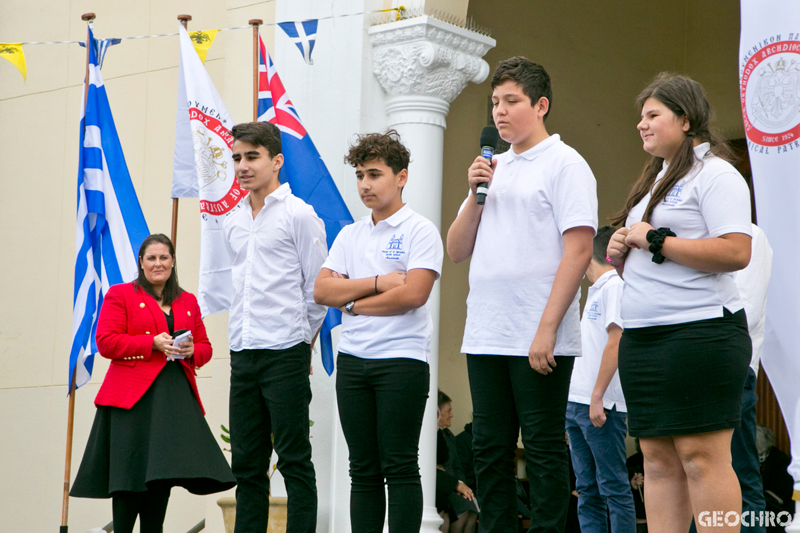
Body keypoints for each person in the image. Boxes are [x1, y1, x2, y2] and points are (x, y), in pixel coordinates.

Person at [447, 56, 598, 532]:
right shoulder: (490, 167)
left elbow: (577, 252)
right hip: (488, 331)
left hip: (539, 332)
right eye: (494, 102)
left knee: (543, 446)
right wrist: (474, 194)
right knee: (489, 449)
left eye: (512, 101)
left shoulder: (565, 164)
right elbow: (456, 250)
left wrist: (547, 329)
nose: (500, 112)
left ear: (541, 104)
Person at [607, 73, 753, 530]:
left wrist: (654, 240)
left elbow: (735, 251)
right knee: (656, 460)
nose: (641, 125)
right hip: (645, 340)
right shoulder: (656, 181)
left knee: (699, 458)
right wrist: (622, 250)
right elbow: (657, 255)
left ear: (685, 119)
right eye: (641, 117)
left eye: (653, 115)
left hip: (699, 335)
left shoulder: (716, 175)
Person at [314, 130, 443, 533]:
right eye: (359, 176)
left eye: (374, 174)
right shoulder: (350, 234)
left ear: (401, 177)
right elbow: (321, 290)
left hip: (401, 361)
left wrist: (350, 302)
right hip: (353, 362)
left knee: (400, 464)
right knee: (362, 469)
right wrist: (377, 282)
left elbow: (413, 295)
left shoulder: (420, 230)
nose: (365, 185)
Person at [70, 233, 236, 533]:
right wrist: (151, 343)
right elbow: (106, 342)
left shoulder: (187, 301)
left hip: (172, 401)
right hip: (131, 401)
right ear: (141, 263)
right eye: (151, 258)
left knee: (161, 476)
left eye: (164, 257)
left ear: (172, 262)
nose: (158, 263)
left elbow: (206, 347)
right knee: (128, 476)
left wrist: (191, 351)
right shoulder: (121, 294)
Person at [224, 121, 327, 533]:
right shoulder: (232, 220)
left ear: (276, 160)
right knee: (247, 464)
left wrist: (302, 345)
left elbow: (317, 289)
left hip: (284, 350)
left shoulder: (299, 215)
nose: (243, 166)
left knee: (294, 459)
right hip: (242, 351)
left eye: (252, 156)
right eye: (237, 158)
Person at [565, 225, 636, 533]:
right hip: (577, 403)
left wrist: (597, 396)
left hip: (600, 404)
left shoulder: (615, 287)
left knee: (613, 486)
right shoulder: (596, 290)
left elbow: (615, 341)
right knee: (587, 488)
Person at [436, 390, 478, 533]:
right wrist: (455, 486)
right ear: (437, 412)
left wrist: (461, 484)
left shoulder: (449, 435)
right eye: (448, 411)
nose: (451, 415)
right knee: (463, 511)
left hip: (454, 487)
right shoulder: (432, 435)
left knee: (471, 509)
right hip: (443, 488)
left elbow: (457, 466)